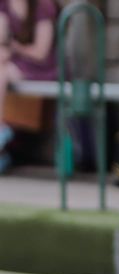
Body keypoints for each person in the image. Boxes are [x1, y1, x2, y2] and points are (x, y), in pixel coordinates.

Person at [0, 0, 58, 167]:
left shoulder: (43, 6)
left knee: (2, 72)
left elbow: (41, 53)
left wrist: (14, 48)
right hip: (15, 63)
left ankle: (1, 130)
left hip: (42, 68)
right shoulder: (5, 4)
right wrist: (4, 49)